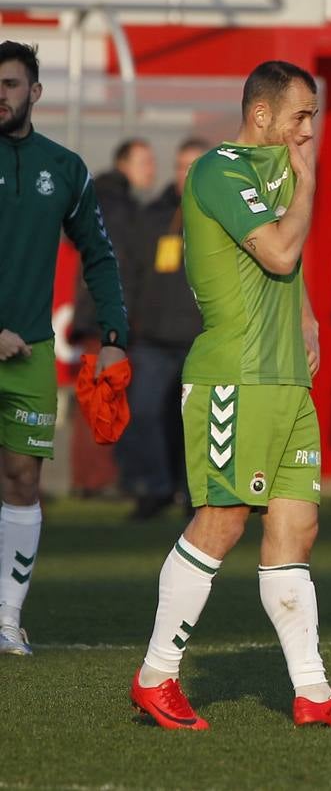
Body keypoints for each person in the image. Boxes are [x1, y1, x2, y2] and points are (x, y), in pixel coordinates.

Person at [129, 60, 331, 730]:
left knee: (296, 527)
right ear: (262, 115)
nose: (308, 132)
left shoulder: (273, 169)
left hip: (284, 380)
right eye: (300, 116)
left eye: (313, 119)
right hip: (234, 376)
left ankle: (313, 692)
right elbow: (277, 253)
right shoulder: (220, 170)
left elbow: (283, 270)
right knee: (222, 520)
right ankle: (156, 676)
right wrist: (310, 180)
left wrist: (303, 318)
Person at [0, 40, 129, 656]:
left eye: (10, 84)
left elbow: (99, 256)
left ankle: (7, 618)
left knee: (23, 479)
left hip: (29, 353)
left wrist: (112, 338)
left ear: (35, 92)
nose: (0, 94)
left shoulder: (67, 168)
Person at [125, 137, 208, 521]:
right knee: (144, 413)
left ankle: (195, 493)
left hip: (202, 340)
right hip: (154, 340)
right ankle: (156, 488)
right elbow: (129, 274)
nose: (184, 174)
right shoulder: (152, 216)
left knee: (198, 424)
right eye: (180, 165)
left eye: (193, 166)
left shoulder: (220, 216)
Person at [69, 137, 153, 499]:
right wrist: (119, 321)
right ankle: (94, 480)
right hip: (106, 321)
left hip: (98, 317)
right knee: (101, 399)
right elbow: (116, 268)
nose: (152, 169)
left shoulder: (103, 200)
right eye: (145, 162)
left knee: (99, 397)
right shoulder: (118, 207)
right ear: (125, 164)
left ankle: (95, 477)